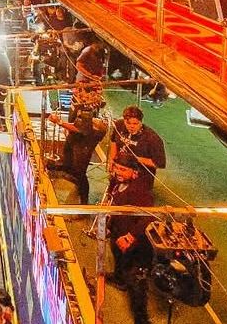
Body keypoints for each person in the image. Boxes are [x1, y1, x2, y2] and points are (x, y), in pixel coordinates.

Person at [104, 158, 154, 324]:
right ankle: (119, 279)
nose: (118, 172)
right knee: (118, 257)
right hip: (118, 230)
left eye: (123, 170)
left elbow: (148, 217)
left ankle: (142, 319)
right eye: (117, 168)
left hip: (136, 242)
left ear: (134, 172)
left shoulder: (140, 190)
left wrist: (130, 236)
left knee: (136, 280)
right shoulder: (116, 181)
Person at [47, 92, 108, 204]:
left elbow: (81, 129)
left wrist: (60, 122)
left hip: (81, 150)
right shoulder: (81, 109)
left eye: (83, 94)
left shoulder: (89, 117)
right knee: (72, 169)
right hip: (75, 146)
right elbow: (77, 126)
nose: (78, 93)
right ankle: (82, 200)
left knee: (79, 175)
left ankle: (83, 202)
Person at [109, 106, 166, 192]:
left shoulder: (152, 139)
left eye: (135, 123)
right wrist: (112, 161)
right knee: (113, 192)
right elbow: (113, 141)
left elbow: (159, 164)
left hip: (141, 175)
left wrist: (134, 159)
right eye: (128, 123)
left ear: (141, 122)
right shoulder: (118, 125)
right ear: (124, 120)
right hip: (120, 171)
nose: (131, 126)